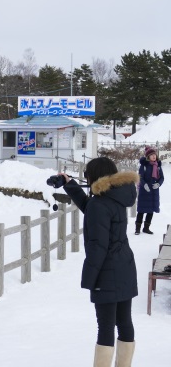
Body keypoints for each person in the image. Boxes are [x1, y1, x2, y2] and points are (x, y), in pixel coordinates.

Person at [61, 157, 138, 367]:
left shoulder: (99, 203)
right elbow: (95, 211)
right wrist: (70, 185)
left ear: (94, 176)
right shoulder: (116, 197)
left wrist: (89, 279)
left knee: (105, 326)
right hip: (125, 267)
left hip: (107, 272)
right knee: (124, 322)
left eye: (87, 174)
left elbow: (97, 247)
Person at [135, 146, 164, 235]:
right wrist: (145, 185)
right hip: (145, 191)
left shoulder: (158, 166)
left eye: (154, 154)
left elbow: (162, 177)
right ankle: (137, 229)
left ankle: (146, 228)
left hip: (154, 191)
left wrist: (158, 184)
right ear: (148, 156)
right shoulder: (144, 165)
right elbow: (140, 177)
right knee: (141, 210)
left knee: (150, 210)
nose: (154, 156)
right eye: (151, 155)